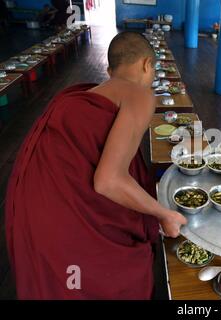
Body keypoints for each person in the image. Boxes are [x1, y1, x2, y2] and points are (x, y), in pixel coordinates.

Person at [5, 32, 187, 299]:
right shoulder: (140, 94)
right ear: (148, 64)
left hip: (32, 215)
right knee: (118, 276)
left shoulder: (83, 96)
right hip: (65, 227)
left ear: (109, 71)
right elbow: (108, 181)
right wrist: (164, 214)